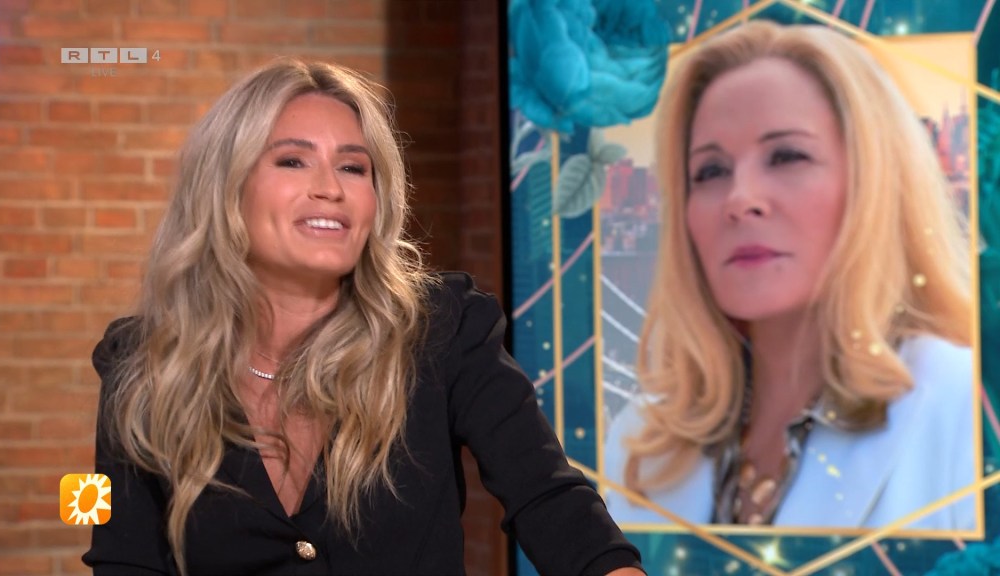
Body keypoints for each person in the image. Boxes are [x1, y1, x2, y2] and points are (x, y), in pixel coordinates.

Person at [83, 59, 645, 575]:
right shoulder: (138, 362)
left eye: (353, 167)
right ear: (226, 188)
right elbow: (118, 557)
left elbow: (550, 497)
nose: (330, 189)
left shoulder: (445, 329)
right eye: (293, 160)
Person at [605, 20, 976, 531]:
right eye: (710, 171)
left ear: (873, 183)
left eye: (786, 156)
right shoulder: (640, 442)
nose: (740, 199)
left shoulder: (966, 406)